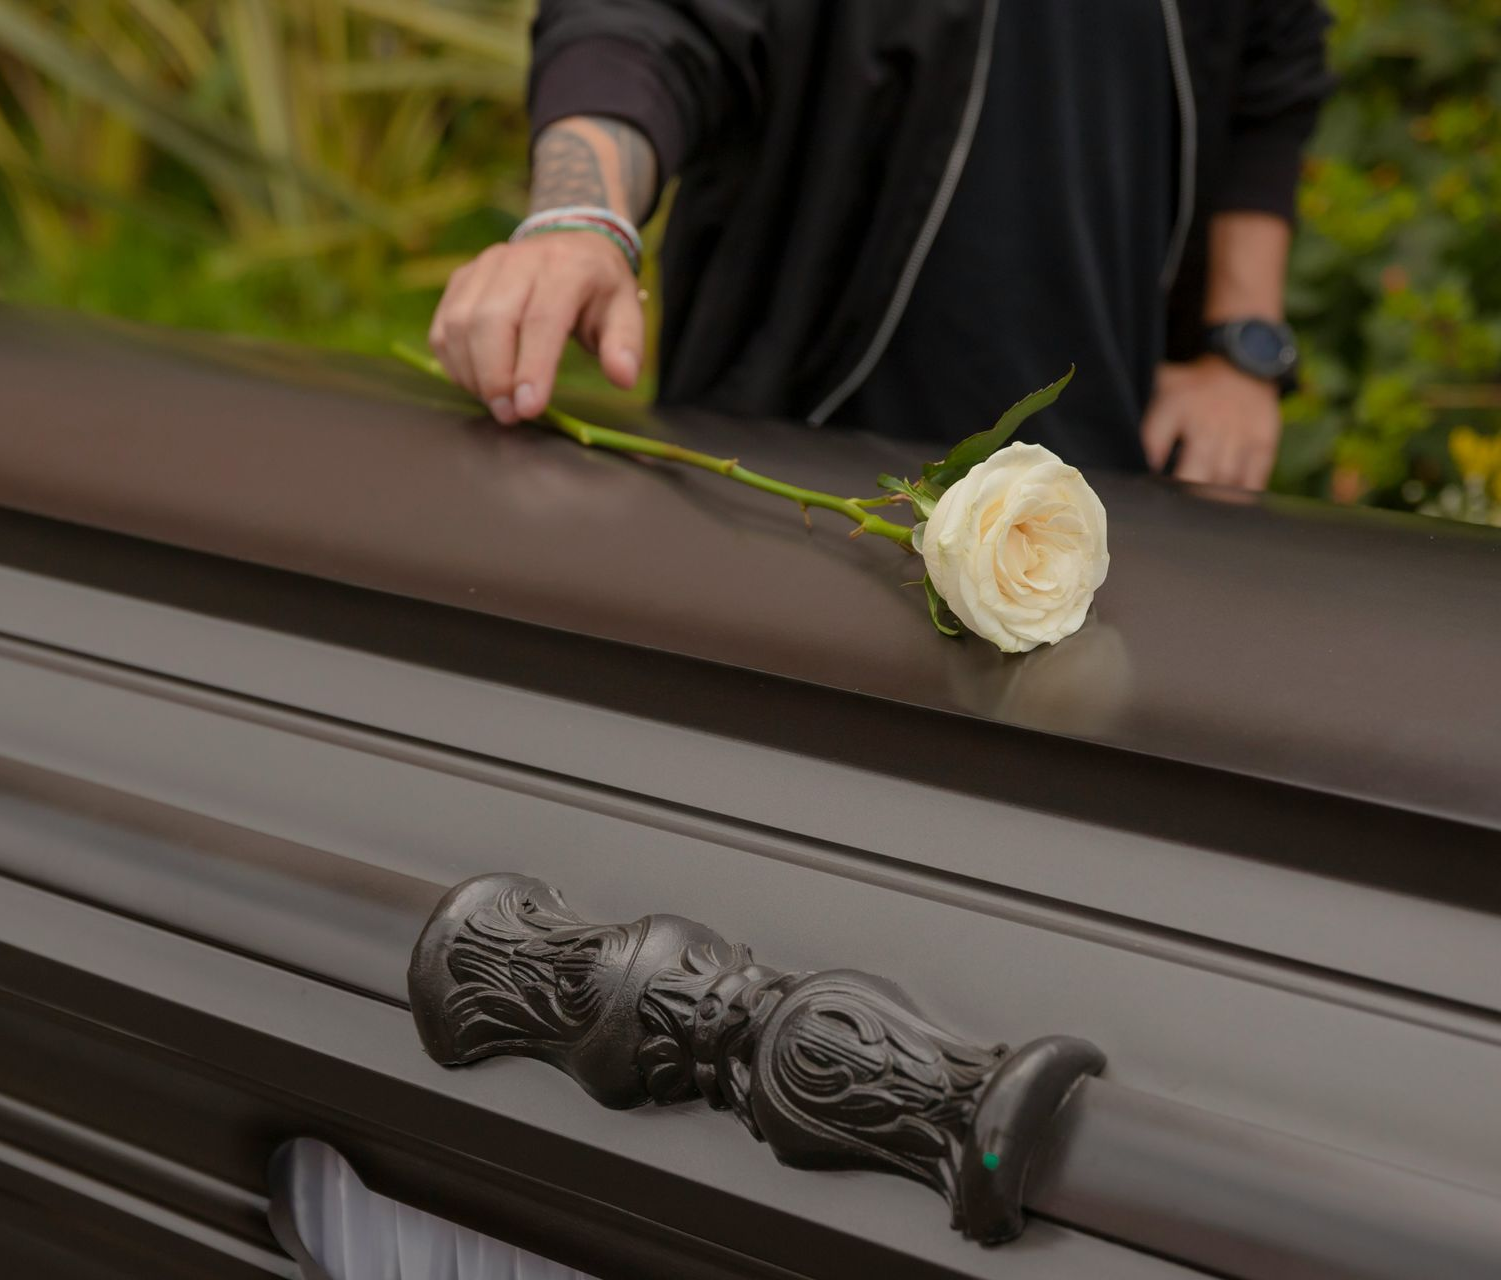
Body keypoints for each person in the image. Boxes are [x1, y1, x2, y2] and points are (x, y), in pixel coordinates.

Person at [429, 1, 1333, 490]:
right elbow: (645, 25)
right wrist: (580, 219)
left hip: (1106, 499)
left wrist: (1240, 348)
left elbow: (1272, 74)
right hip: (801, 488)